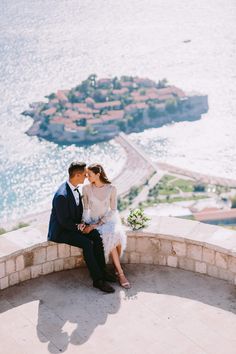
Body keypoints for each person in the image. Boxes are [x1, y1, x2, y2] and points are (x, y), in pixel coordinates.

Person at [47, 161, 115, 293]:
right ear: (77, 175)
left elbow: (77, 214)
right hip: (61, 231)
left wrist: (86, 225)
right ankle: (98, 280)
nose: (86, 177)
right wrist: (82, 228)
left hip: (74, 226)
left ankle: (102, 270)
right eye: (84, 174)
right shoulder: (61, 195)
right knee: (86, 243)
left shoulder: (75, 188)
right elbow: (64, 222)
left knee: (96, 235)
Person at [82, 163, 130, 289]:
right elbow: (85, 209)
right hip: (92, 221)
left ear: (98, 174)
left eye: (89, 174)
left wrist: (100, 223)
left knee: (114, 235)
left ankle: (119, 272)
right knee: (111, 238)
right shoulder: (86, 188)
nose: (87, 177)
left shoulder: (111, 189)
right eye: (86, 174)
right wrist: (87, 224)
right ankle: (119, 272)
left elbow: (113, 210)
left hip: (107, 220)